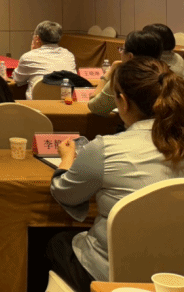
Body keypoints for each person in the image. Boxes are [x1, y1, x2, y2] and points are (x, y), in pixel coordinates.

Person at [47, 57, 184, 291]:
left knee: (56, 242)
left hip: (110, 273)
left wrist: (66, 159)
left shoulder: (105, 148)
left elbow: (66, 193)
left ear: (123, 102)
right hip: (174, 275)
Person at [88, 29, 162, 116]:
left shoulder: (125, 77)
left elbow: (95, 107)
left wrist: (109, 73)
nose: (120, 52)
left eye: (122, 49)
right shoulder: (167, 73)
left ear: (130, 56)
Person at [12, 21, 77, 99]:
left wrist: (33, 51)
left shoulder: (28, 57)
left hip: (35, 105)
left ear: (37, 38)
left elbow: (17, 79)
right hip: (64, 103)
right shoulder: (69, 55)